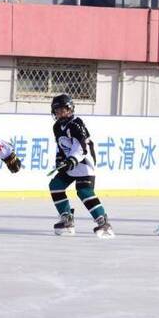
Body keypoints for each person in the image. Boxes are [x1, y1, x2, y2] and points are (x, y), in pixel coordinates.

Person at [48, 94, 115, 239]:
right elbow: (60, 146)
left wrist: (72, 159)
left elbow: (82, 147)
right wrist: (60, 160)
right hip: (70, 164)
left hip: (84, 163)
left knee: (84, 191)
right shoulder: (57, 127)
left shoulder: (76, 124)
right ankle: (66, 217)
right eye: (57, 110)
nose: (60, 113)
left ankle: (102, 220)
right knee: (55, 185)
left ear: (70, 109)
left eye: (63, 110)